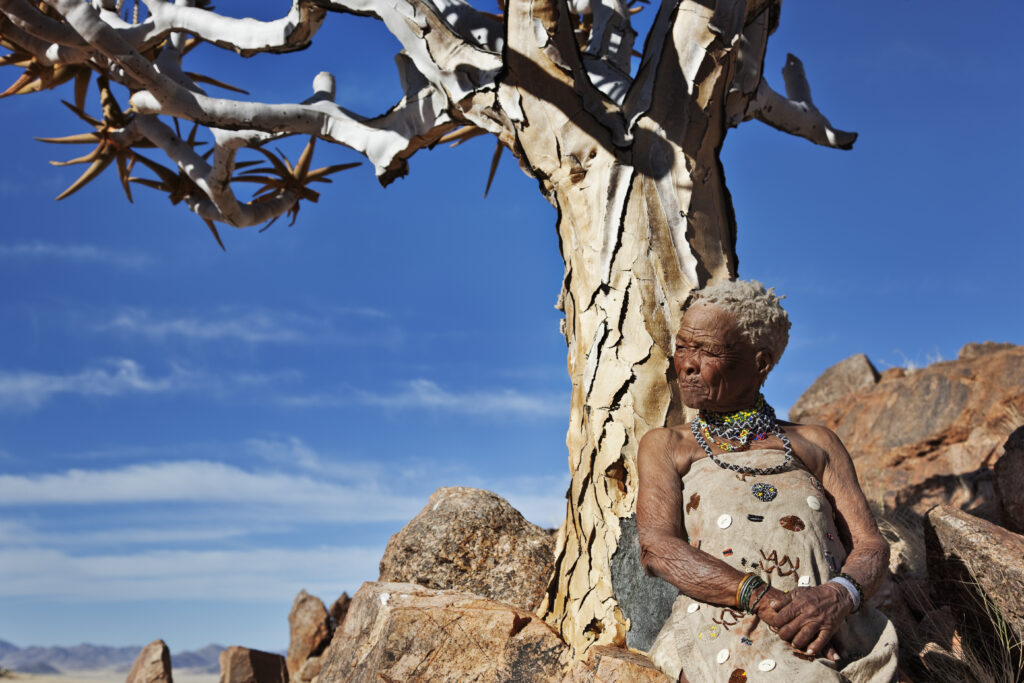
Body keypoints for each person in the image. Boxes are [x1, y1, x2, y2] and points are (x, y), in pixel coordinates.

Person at [637, 280, 898, 683]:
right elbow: (658, 548)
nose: (687, 363)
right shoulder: (667, 445)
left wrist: (836, 598)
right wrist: (763, 599)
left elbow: (870, 545)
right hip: (724, 623)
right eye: (684, 346)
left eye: (708, 351)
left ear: (760, 363)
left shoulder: (816, 443)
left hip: (828, 625)